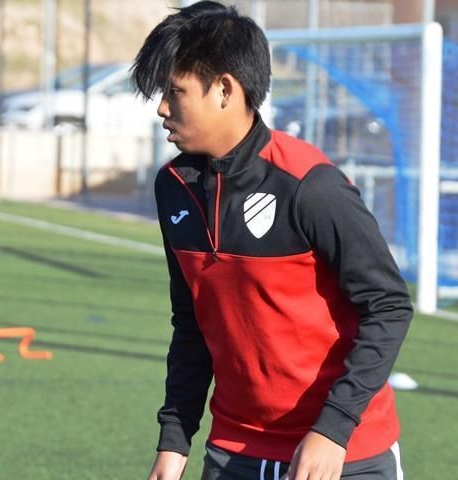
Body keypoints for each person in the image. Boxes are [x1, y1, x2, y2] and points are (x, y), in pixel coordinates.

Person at [131, 2, 413, 479]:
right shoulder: (172, 187)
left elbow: (387, 305)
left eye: (174, 91)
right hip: (234, 453)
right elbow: (192, 322)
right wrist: (174, 443)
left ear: (224, 89)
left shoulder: (310, 184)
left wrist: (333, 430)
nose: (161, 107)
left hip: (343, 454)